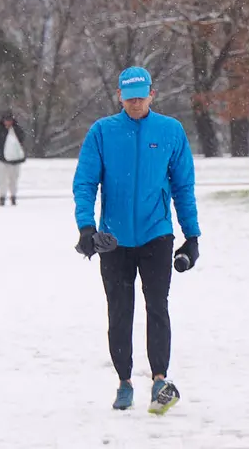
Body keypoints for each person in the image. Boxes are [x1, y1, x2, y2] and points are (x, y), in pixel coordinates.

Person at [72, 66, 200, 414]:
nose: (135, 103)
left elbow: (183, 187)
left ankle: (160, 378)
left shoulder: (170, 131)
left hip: (156, 234)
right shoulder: (102, 132)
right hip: (112, 239)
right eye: (129, 98)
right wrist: (86, 227)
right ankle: (124, 381)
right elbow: (84, 183)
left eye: (141, 97)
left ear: (152, 95)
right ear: (119, 96)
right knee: (119, 312)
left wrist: (192, 235)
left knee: (157, 306)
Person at [0, 111, 27, 206]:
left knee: (13, 180)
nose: (8, 122)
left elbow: (21, 140)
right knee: (3, 180)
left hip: (14, 161)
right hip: (2, 159)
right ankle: (2, 197)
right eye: (6, 120)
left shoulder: (16, 130)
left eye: (9, 120)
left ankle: (13, 197)